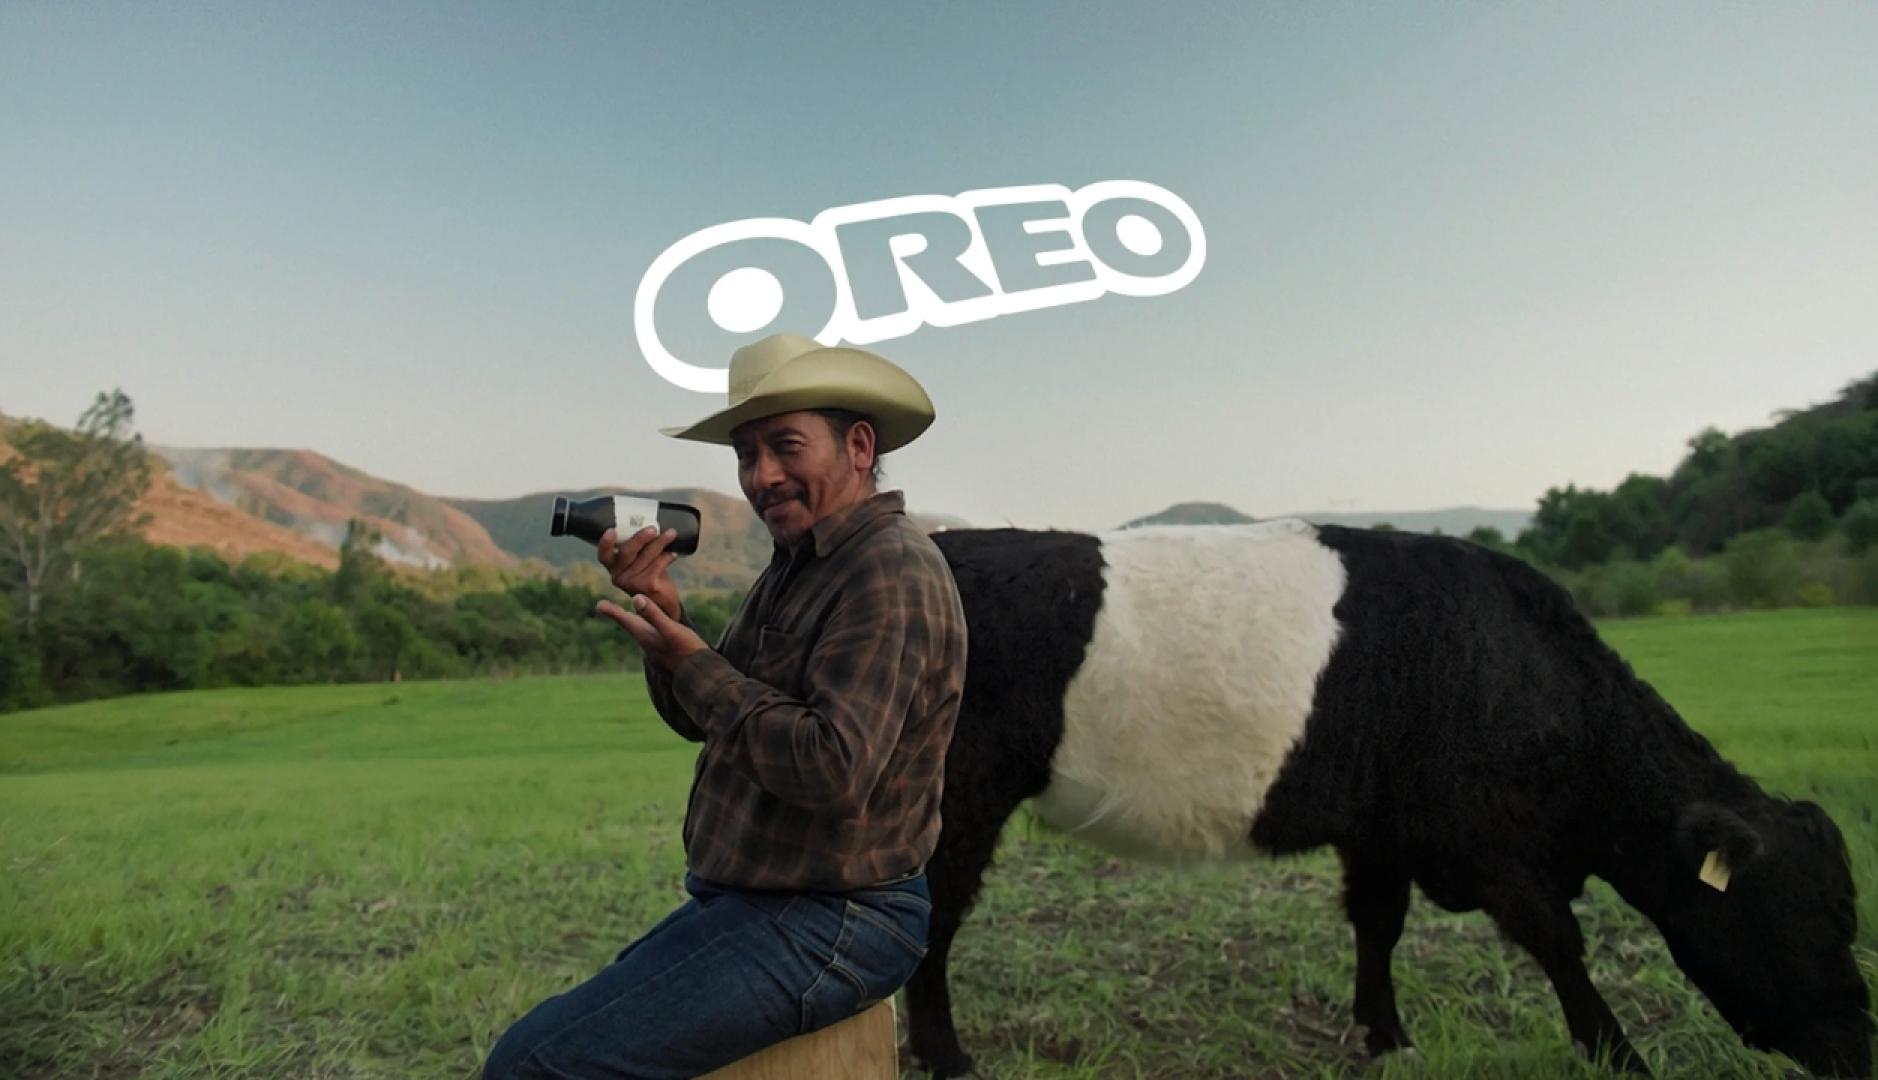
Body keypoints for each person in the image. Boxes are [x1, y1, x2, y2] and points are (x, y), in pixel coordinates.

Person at [483, 333, 969, 1079]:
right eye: (747, 454)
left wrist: (697, 664)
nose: (762, 476)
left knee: (533, 1064)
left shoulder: (889, 570)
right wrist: (662, 621)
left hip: (836, 918)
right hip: (764, 904)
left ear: (860, 445)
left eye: (785, 446)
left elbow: (833, 770)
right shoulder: (797, 565)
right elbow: (705, 717)